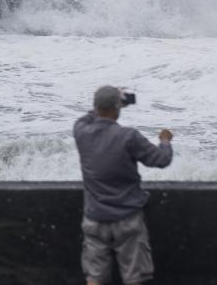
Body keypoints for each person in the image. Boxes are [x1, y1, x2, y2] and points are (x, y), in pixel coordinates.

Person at [73, 85, 173, 285]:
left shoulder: (81, 131)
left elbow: (90, 115)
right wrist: (165, 141)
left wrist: (109, 102)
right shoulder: (129, 136)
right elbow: (161, 160)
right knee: (135, 278)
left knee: (95, 277)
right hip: (127, 218)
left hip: (94, 218)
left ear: (96, 106)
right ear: (118, 107)